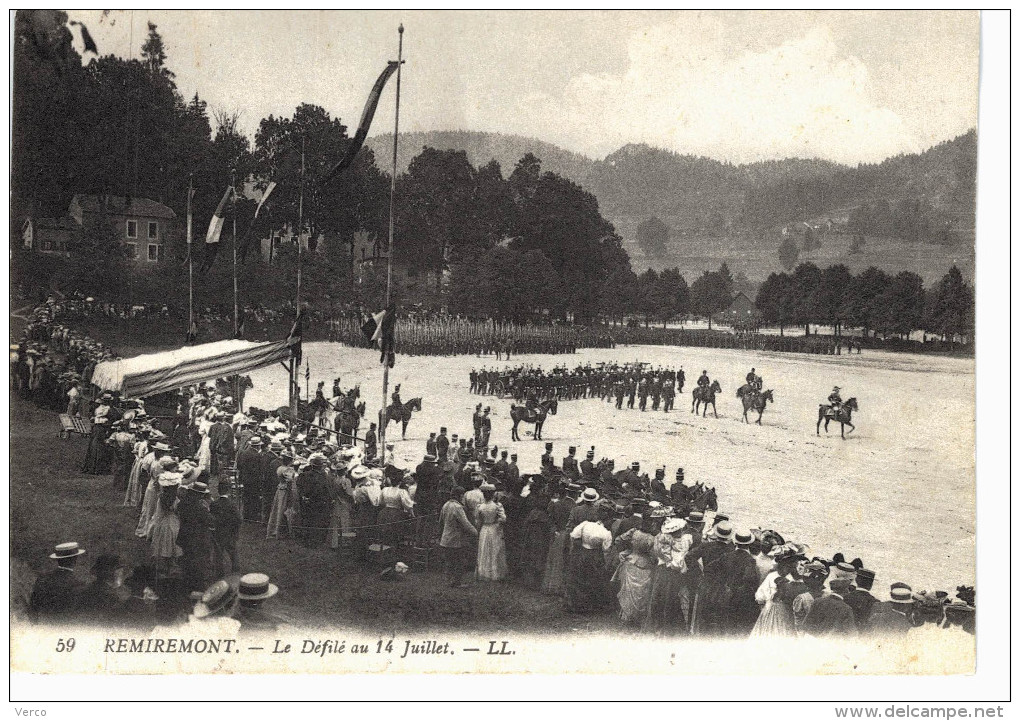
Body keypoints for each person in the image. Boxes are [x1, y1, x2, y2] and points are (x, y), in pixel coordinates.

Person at [566, 503, 613, 613]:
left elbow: (573, 535)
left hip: (581, 553)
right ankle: (587, 606)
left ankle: (575, 604)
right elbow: (606, 550)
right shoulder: (606, 533)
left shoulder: (585, 524)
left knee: (578, 578)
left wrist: (578, 547)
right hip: (595, 556)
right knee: (591, 580)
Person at [612, 516, 658, 626]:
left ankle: (627, 616)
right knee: (642, 592)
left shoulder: (633, 532)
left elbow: (618, 540)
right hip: (644, 564)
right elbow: (654, 556)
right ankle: (638, 617)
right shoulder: (651, 538)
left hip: (631, 561)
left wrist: (628, 549)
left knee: (628, 590)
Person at [29, 542, 87, 621]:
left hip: (43, 627)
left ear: (57, 559)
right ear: (75, 559)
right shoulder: (78, 584)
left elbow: (33, 607)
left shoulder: (42, 578)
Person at [176, 482, 214, 592]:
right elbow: (210, 521)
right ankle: (197, 585)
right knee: (198, 562)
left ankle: (186, 581)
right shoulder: (200, 507)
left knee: (187, 558)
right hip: (198, 538)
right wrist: (207, 509)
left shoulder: (183, 503)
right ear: (199, 495)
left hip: (184, 535)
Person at [438, 486, 478, 587]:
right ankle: (456, 582)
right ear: (460, 496)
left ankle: (448, 581)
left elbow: (440, 522)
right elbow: (466, 524)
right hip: (455, 539)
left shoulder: (446, 505)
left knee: (449, 561)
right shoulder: (458, 507)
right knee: (459, 561)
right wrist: (476, 532)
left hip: (445, 538)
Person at [474, 483, 508, 581]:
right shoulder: (497, 506)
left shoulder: (480, 506)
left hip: (485, 528)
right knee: (495, 550)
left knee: (485, 549)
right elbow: (503, 519)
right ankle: (495, 572)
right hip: (494, 528)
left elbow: (477, 521)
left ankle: (484, 572)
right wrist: (497, 522)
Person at [211, 491, 241, 576]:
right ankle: (236, 572)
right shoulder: (232, 504)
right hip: (230, 533)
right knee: (233, 553)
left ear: (218, 491)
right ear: (228, 491)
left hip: (218, 533)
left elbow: (211, 519)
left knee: (218, 554)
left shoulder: (214, 504)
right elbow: (238, 519)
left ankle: (219, 573)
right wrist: (235, 531)